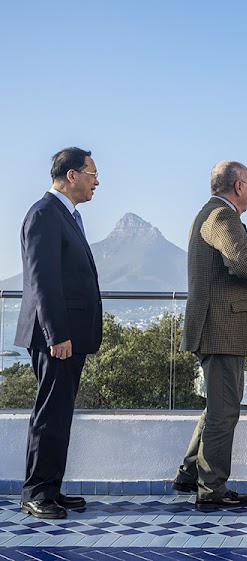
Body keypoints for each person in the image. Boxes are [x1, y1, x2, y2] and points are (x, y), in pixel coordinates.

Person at [172, 161, 247, 510]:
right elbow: (244, 264)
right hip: (221, 330)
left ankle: (189, 475)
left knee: (218, 406)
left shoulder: (210, 214)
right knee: (225, 412)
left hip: (217, 328)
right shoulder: (221, 216)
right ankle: (211, 489)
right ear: (239, 185)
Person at [16, 147, 103, 519]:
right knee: (49, 414)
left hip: (66, 335)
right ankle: (36, 493)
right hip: (56, 337)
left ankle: (50, 488)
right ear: (71, 175)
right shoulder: (44, 215)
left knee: (60, 413)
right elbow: (43, 280)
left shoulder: (67, 216)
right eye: (91, 174)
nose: (96, 182)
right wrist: (57, 335)